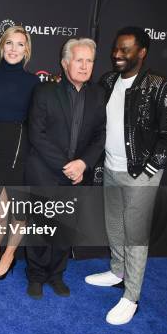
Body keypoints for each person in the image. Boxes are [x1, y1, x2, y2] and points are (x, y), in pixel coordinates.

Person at [85, 27, 167, 325]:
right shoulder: (108, 80)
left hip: (141, 173)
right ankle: (117, 271)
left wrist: (151, 169)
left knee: (136, 237)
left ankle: (131, 297)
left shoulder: (159, 86)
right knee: (114, 225)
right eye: (116, 48)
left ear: (141, 53)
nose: (117, 54)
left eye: (125, 50)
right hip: (111, 169)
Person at [25, 38, 106, 300]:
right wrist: (65, 166)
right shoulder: (45, 91)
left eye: (89, 61)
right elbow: (37, 135)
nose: (84, 66)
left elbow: (100, 135)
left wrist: (83, 164)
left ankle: (56, 275)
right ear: (65, 63)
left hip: (78, 175)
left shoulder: (98, 94)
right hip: (45, 171)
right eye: (79, 60)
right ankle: (36, 276)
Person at [0, 26, 39, 280]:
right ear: (1, 46)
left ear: (26, 50)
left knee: (17, 209)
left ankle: (9, 255)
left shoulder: (33, 82)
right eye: (9, 43)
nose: (14, 49)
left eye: (20, 44)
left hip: (20, 150)